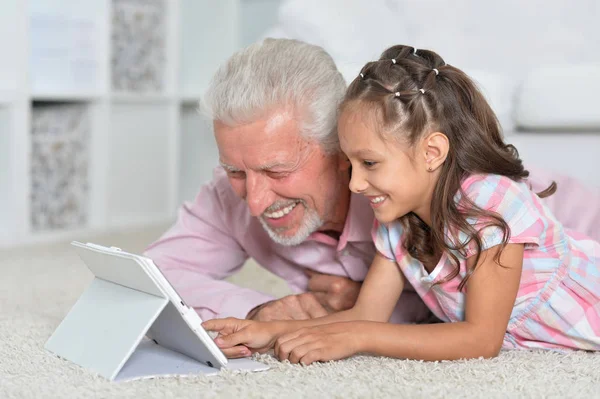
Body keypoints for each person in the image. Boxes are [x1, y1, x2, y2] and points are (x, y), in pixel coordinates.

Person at [202, 44, 600, 363]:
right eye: (351, 163)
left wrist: (359, 339)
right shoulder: (395, 223)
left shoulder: (490, 202)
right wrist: (267, 333)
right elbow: (365, 315)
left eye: (369, 163)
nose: (355, 183)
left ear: (432, 152)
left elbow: (481, 338)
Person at [144, 38, 432, 325]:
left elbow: (470, 307)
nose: (255, 204)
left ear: (340, 150)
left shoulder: (410, 188)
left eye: (277, 172)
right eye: (236, 172)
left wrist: (371, 306)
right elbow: (150, 276)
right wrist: (257, 311)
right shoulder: (229, 194)